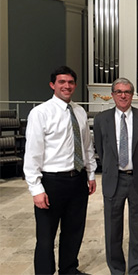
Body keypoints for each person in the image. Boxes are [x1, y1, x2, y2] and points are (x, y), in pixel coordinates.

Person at [24, 66, 97, 275]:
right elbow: (32, 153)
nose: (67, 86)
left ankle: (69, 269)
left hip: (77, 180)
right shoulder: (40, 113)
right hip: (52, 182)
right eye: (62, 82)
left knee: (74, 231)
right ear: (52, 85)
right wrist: (36, 189)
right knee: (46, 236)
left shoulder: (79, 111)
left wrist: (90, 173)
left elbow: (86, 145)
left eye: (71, 82)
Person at [93, 78, 138, 275]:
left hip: (137, 180)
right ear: (112, 95)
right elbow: (101, 150)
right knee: (112, 231)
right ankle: (117, 270)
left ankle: (135, 270)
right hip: (114, 180)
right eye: (118, 91)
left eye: (127, 91)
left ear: (132, 95)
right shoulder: (101, 119)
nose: (123, 95)